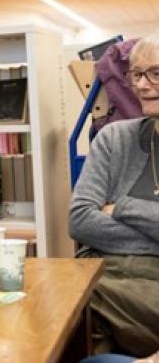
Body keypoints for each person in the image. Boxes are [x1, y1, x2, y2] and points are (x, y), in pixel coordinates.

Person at [69, 33, 159, 357]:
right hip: (105, 278)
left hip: (140, 291)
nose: (143, 85)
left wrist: (121, 207)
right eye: (135, 74)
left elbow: (97, 224)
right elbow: (79, 220)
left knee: (70, 299)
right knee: (57, 299)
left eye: (156, 73)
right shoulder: (113, 138)